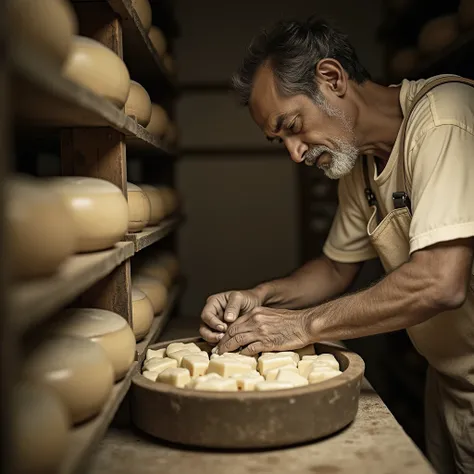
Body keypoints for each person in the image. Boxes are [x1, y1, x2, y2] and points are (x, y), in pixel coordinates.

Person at [198, 16, 474, 474]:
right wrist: (258, 297)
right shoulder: (360, 165)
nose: (294, 153)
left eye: (293, 126)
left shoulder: (444, 120)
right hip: (448, 382)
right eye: (279, 140)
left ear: (332, 78)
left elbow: (439, 282)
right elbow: (332, 269)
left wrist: (302, 326)